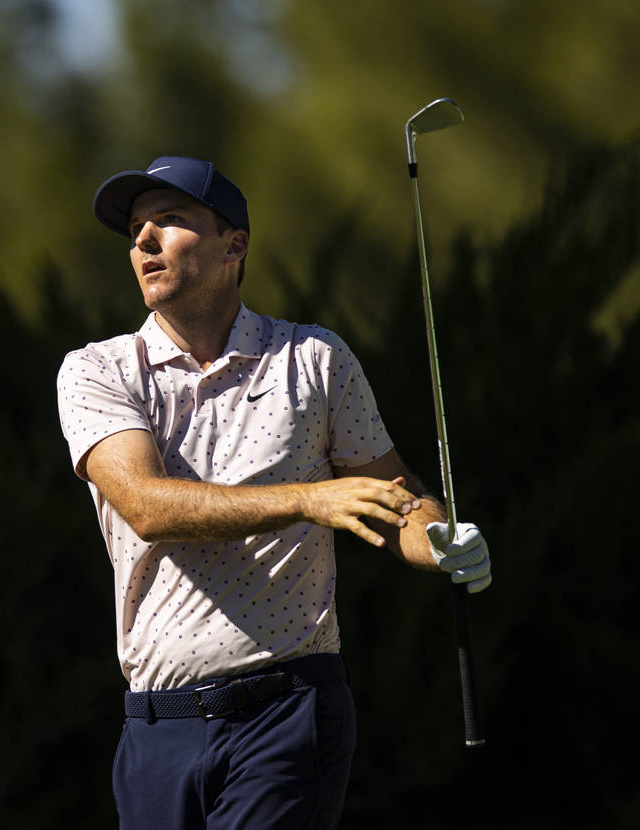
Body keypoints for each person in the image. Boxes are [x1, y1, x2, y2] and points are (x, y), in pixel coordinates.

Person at [56, 156, 491, 829]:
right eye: (137, 228)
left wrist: (438, 537)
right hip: (155, 727)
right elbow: (146, 506)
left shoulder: (314, 360)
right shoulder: (97, 369)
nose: (142, 240)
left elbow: (393, 495)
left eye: (169, 221)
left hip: (287, 713)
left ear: (235, 245)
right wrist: (308, 498)